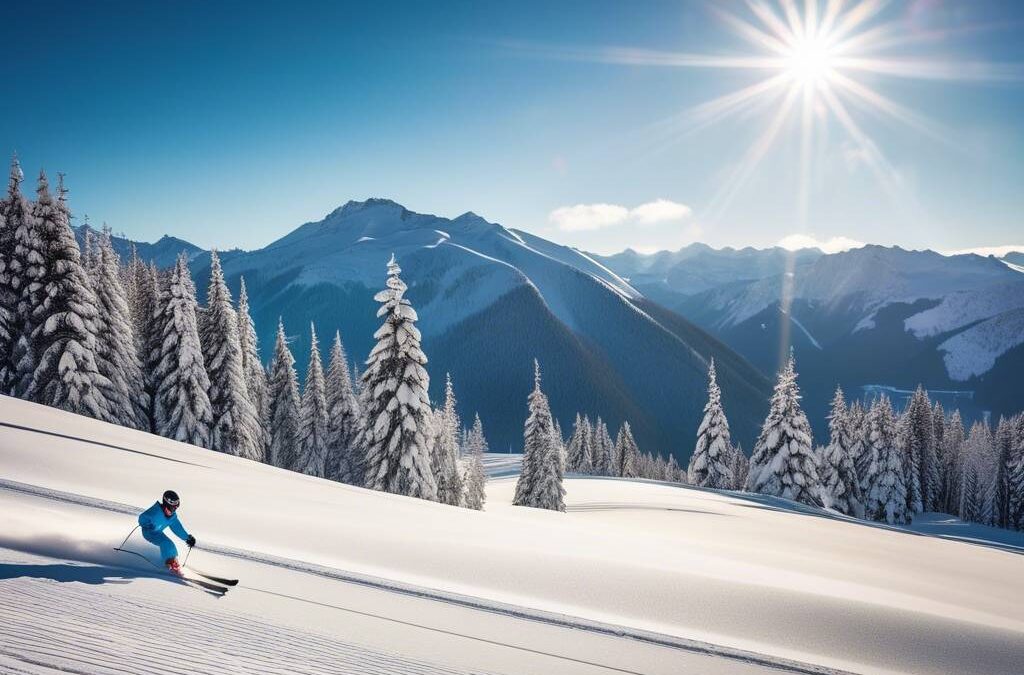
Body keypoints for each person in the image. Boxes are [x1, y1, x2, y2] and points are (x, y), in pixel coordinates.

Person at [138, 490, 196, 575]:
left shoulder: (172, 517)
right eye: (171, 508)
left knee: (171, 545)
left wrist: (187, 538)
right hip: (149, 532)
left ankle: (174, 563)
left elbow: (177, 528)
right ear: (166, 504)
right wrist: (146, 525)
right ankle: (170, 565)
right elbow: (142, 518)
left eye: (175, 508)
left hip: (158, 532)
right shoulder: (155, 512)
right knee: (166, 544)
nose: (172, 511)